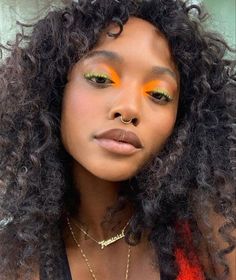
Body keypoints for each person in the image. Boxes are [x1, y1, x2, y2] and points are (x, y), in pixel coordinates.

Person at [0, 0, 235, 279]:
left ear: (183, 120)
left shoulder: (213, 232)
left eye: (158, 94)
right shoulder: (15, 262)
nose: (129, 108)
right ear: (55, 89)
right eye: (100, 78)